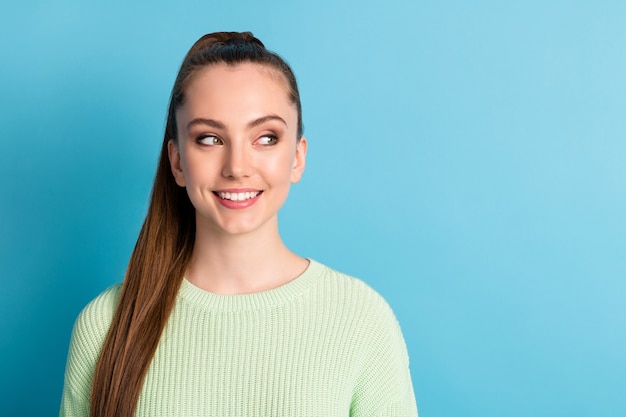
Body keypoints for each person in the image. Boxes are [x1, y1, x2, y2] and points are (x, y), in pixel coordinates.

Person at [60, 31, 418, 417]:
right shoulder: (105, 325)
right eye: (210, 139)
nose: (237, 167)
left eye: (266, 137)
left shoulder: (361, 319)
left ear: (297, 157)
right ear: (177, 162)